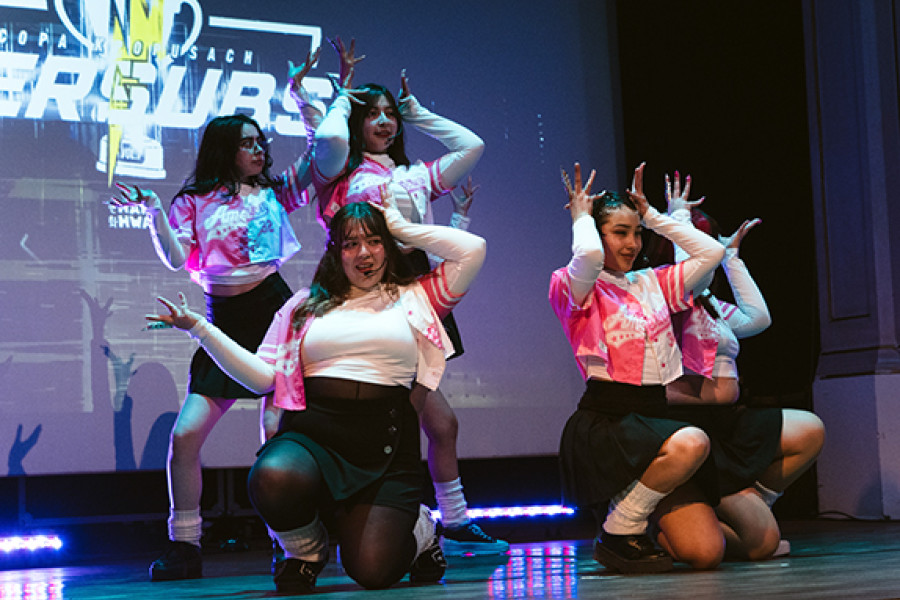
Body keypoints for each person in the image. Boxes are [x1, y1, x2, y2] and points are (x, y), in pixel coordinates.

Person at [146, 194, 487, 592]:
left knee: (373, 572)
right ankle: (305, 551)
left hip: (386, 446)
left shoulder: (415, 296)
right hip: (315, 436)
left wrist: (397, 226)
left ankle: (422, 530)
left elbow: (472, 250)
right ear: (335, 253)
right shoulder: (304, 306)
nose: (365, 253)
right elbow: (261, 379)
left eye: (374, 241)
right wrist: (200, 329)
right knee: (272, 475)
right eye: (350, 243)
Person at [109, 50, 324, 581]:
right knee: (185, 437)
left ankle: (289, 540)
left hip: (274, 310)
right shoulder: (193, 201)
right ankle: (185, 544)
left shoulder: (276, 190)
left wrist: (301, 98)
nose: (258, 150)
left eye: (260, 142)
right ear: (225, 150)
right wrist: (155, 213)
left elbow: (324, 155)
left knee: (276, 432)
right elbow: (179, 258)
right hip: (222, 318)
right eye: (247, 143)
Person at [310, 61, 507, 555]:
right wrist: (341, 98)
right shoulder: (339, 174)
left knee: (436, 423)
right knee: (412, 420)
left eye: (390, 113)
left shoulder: (417, 175)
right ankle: (393, 517)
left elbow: (472, 146)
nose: (383, 121)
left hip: (414, 296)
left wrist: (418, 112)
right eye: (372, 113)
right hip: (360, 301)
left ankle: (448, 520)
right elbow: (330, 141)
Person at [549, 163, 727, 573]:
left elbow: (712, 253)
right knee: (693, 441)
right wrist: (580, 216)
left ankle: (634, 521)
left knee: (705, 553)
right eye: (619, 232)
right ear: (597, 233)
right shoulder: (574, 285)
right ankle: (619, 528)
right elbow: (590, 255)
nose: (631, 243)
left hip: (655, 421)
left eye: (636, 233)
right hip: (610, 423)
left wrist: (652, 216)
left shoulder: (654, 281)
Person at [660, 195, 825, 561]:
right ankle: (667, 528)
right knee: (755, 547)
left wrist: (732, 259)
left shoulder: (711, 304)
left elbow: (758, 318)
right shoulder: (666, 297)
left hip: (724, 425)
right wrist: (679, 218)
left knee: (809, 429)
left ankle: (754, 506)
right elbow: (682, 282)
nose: (708, 254)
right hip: (688, 430)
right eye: (697, 244)